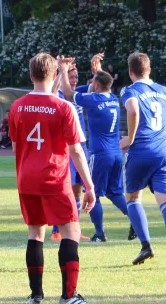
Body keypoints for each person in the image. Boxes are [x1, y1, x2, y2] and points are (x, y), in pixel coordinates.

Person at [8, 52, 98, 304]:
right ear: (53, 75)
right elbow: (77, 150)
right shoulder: (63, 107)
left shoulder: (17, 106)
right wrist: (89, 185)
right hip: (54, 177)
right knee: (71, 230)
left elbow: (16, 147)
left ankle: (35, 295)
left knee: (36, 232)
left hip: (27, 178)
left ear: (30, 74)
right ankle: (68, 296)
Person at [58, 54, 135, 242]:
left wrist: (61, 69)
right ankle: (135, 219)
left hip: (100, 154)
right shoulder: (112, 98)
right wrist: (97, 70)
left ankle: (100, 234)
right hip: (117, 153)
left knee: (92, 194)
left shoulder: (93, 100)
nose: (89, 83)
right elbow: (102, 82)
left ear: (97, 86)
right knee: (114, 192)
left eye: (92, 80)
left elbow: (68, 93)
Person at [120, 52, 166, 269]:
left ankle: (146, 245)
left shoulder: (129, 90)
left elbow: (133, 110)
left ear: (130, 72)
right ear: (149, 69)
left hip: (141, 152)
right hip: (164, 153)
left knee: (133, 198)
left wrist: (131, 137)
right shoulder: (165, 91)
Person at [50, 63, 90, 242]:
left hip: (81, 147)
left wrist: (97, 66)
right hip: (66, 149)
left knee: (77, 192)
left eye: (75, 77)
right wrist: (61, 71)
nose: (74, 81)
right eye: (71, 77)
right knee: (63, 191)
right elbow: (51, 90)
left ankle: (75, 229)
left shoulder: (79, 94)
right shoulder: (58, 94)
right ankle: (56, 230)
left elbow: (100, 84)